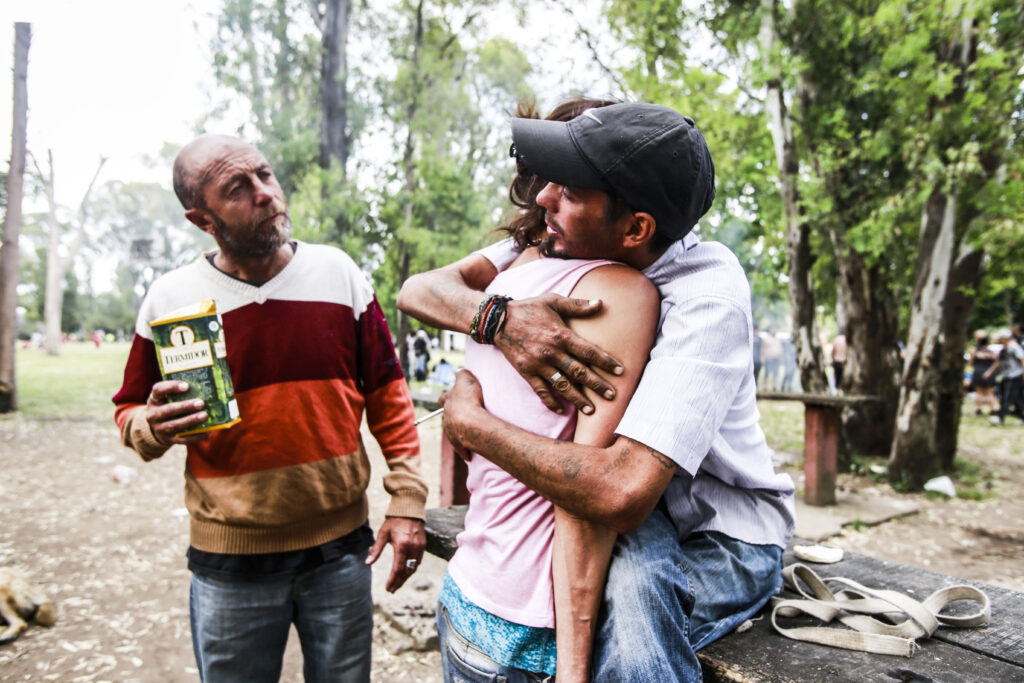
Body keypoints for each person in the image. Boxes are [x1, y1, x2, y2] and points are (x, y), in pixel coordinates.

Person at [399, 101, 795, 682]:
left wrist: (474, 424)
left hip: (717, 529)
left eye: (569, 190)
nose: (543, 199)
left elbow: (621, 491)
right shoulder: (561, 241)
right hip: (628, 505)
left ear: (635, 229)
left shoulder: (705, 294)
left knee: (628, 612)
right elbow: (420, 290)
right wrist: (498, 319)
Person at [112, 134, 428, 683]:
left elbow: (388, 393)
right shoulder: (170, 299)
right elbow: (129, 409)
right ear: (202, 220)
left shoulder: (338, 273)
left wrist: (407, 500)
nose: (264, 193)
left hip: (341, 552)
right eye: (237, 188)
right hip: (230, 562)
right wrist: (152, 426)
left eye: (264, 174)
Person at [984, 329, 1024, 425]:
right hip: (1006, 375)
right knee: (1017, 398)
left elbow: (1022, 359)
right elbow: (998, 362)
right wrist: (989, 371)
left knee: (1008, 397)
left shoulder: (1014, 347)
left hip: (1015, 375)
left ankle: (1000, 418)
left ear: (1004, 338)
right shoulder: (1003, 349)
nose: (998, 340)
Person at [968, 330, 998, 416]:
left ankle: (979, 410)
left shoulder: (975, 351)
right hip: (989, 373)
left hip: (978, 372)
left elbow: (970, 363)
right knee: (990, 393)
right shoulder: (991, 352)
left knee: (980, 393)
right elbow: (996, 362)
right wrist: (989, 371)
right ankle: (992, 410)